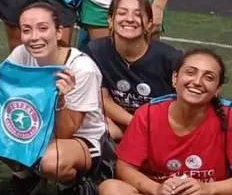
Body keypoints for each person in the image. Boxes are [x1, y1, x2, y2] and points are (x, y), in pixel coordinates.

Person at [0, 3, 107, 192]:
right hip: (36, 129)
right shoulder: (21, 54)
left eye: (43, 28)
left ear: (58, 32)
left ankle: (70, 184)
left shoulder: (82, 69)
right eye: (27, 30)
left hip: (78, 139)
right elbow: (5, 109)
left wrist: (61, 100)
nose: (34, 37)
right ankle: (25, 175)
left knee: (51, 161)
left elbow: (66, 133)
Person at [98, 49, 232, 194]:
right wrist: (157, 188)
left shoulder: (229, 115)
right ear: (175, 78)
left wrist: (209, 188)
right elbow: (124, 167)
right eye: (190, 72)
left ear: (217, 89)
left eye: (209, 77)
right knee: (111, 187)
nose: (197, 82)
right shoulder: (148, 113)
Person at [83, 0, 182, 141]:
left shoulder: (171, 58)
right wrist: (137, 125)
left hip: (161, 126)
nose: (129, 19)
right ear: (110, 20)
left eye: (137, 14)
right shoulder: (95, 51)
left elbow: (183, 103)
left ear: (149, 24)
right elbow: (103, 101)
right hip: (121, 124)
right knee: (90, 127)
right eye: (122, 13)